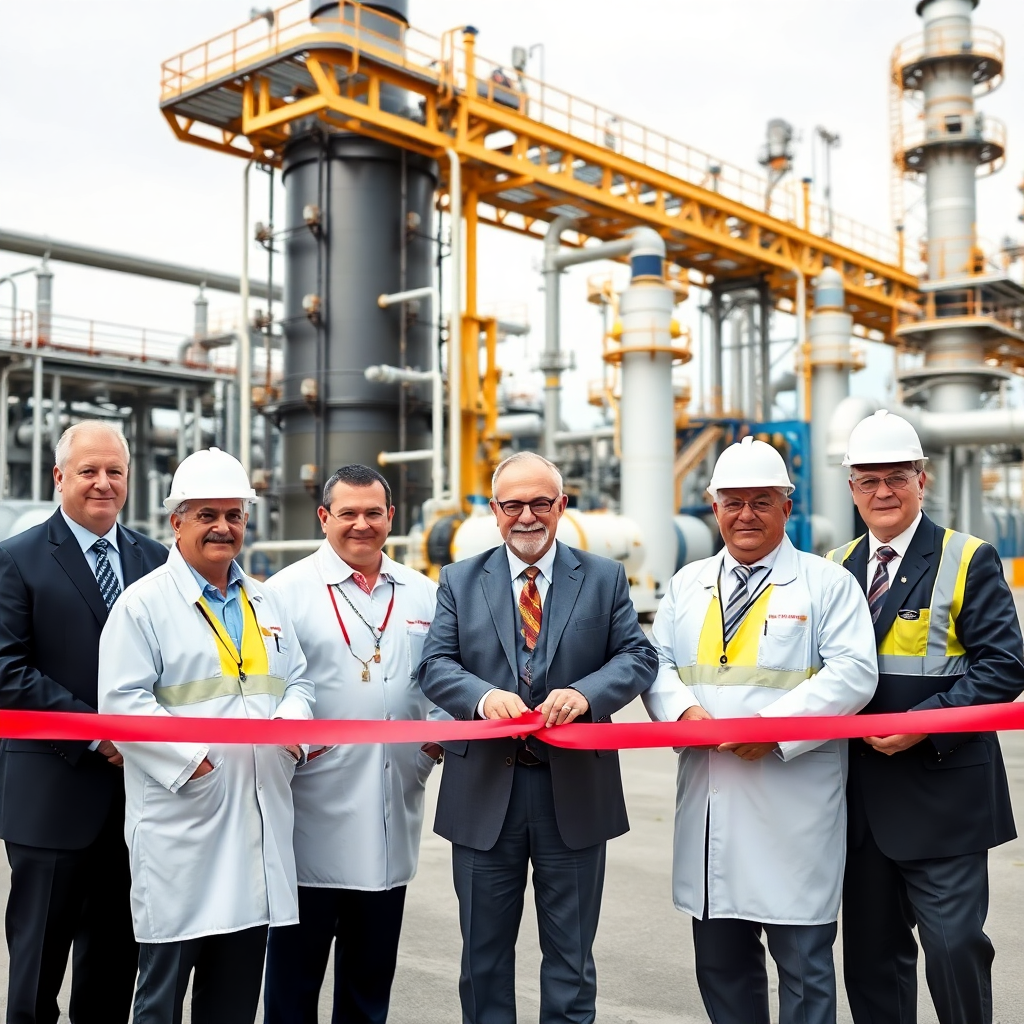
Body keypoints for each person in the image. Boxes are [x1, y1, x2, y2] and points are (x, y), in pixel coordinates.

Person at [418, 450, 658, 1024]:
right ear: (494, 511)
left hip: (572, 794)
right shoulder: (458, 579)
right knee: (483, 961)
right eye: (513, 505)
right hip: (483, 794)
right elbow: (434, 665)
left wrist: (587, 694)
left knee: (571, 961)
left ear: (561, 506)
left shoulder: (601, 578)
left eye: (540, 503)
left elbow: (638, 655)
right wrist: (480, 698)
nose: (527, 516)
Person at [644, 435, 877, 1024]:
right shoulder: (687, 584)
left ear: (787, 508)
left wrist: (773, 730)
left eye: (762, 501)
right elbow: (656, 665)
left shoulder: (826, 584)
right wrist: (683, 715)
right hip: (710, 803)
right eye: (733, 501)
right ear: (713, 506)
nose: (746, 514)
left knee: (804, 972)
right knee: (722, 971)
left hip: (791, 805)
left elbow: (855, 675)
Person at [97, 447, 314, 1024]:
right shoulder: (142, 605)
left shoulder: (266, 602)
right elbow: (121, 701)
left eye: (234, 514)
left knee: (235, 998)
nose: (223, 527)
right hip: (183, 826)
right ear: (177, 521)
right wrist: (190, 760)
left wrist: (292, 727)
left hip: (257, 817)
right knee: (161, 996)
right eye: (207, 514)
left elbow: (297, 681)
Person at [826, 409, 1024, 1024]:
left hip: (944, 793)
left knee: (954, 947)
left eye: (896, 478)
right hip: (859, 800)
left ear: (922, 479)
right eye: (868, 480)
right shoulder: (832, 567)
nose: (883, 492)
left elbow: (1003, 668)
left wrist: (925, 721)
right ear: (852, 487)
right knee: (871, 959)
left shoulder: (969, 558)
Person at [0, 420, 167, 1024]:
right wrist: (99, 731)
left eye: (114, 472)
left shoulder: (157, 561)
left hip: (140, 800)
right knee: (37, 968)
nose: (103, 483)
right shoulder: (17, 561)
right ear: (59, 478)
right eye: (89, 471)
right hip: (51, 798)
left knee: (117, 964)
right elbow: (6, 670)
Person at [263, 464, 439, 1024]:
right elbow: (270, 689)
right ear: (324, 518)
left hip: (392, 807)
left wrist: (434, 741)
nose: (361, 525)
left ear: (392, 517)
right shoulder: (282, 594)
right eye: (348, 513)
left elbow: (440, 678)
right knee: (293, 983)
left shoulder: (423, 593)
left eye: (373, 513)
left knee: (369, 984)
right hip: (311, 811)